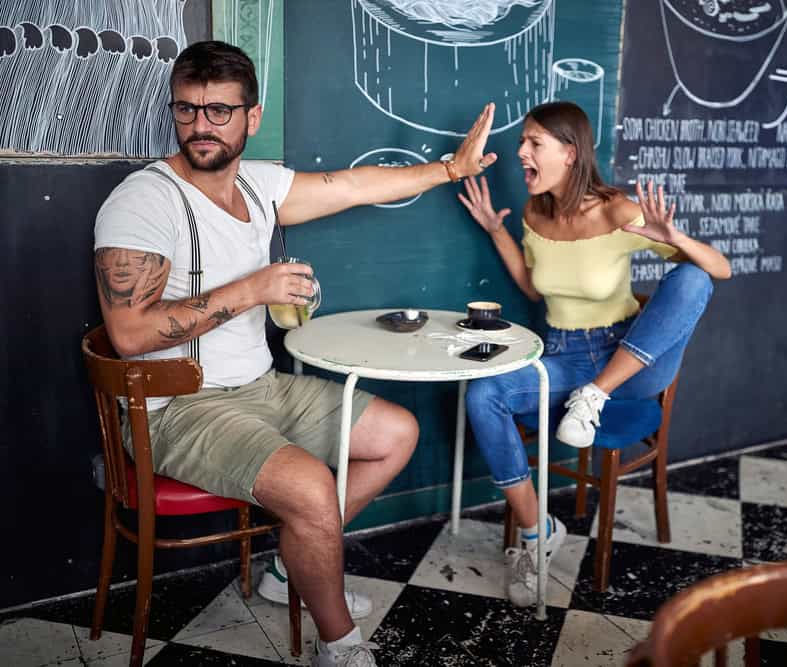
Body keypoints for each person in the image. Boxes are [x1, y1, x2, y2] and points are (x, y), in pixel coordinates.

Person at [94, 41, 497, 667]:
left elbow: (355, 185)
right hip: (178, 404)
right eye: (188, 110)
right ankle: (338, 646)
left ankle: (287, 569)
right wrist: (253, 289)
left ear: (253, 117)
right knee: (311, 490)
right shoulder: (143, 200)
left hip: (261, 387)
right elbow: (127, 334)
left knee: (396, 432)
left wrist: (448, 170)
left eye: (220, 111)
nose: (202, 126)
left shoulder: (258, 186)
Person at [457, 101, 731, 606]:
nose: (520, 152)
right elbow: (534, 291)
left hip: (631, 361)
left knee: (692, 277)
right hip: (564, 354)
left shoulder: (617, 210)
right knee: (484, 394)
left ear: (571, 151)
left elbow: (722, 270)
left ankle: (594, 396)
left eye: (533, 143)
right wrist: (495, 230)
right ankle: (539, 533)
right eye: (523, 142)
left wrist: (675, 239)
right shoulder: (535, 214)